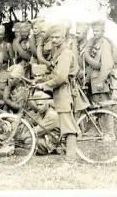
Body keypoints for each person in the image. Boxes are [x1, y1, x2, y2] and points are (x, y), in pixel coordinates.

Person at [34, 23, 79, 162]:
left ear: (64, 37)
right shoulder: (58, 52)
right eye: (52, 37)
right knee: (65, 124)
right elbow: (55, 72)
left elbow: (61, 77)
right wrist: (41, 81)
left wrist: (45, 85)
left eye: (57, 37)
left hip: (65, 92)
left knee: (69, 127)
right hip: (60, 92)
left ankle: (71, 160)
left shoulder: (65, 53)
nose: (53, 40)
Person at [83, 20, 117, 139]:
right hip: (94, 80)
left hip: (100, 82)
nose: (95, 33)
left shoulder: (104, 44)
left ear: (103, 31)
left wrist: (101, 81)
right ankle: (101, 132)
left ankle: (110, 134)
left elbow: (106, 65)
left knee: (105, 108)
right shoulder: (95, 43)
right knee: (97, 108)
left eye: (97, 31)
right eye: (94, 31)